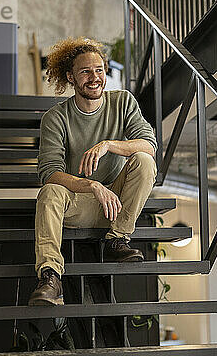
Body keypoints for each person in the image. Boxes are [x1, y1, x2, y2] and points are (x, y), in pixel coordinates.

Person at [28, 37, 158, 306]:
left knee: (144, 161)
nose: (94, 77)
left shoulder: (122, 102)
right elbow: (49, 172)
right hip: (80, 205)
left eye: (99, 70)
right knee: (50, 192)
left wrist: (109, 145)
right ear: (70, 77)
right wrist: (92, 186)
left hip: (118, 205)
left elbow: (149, 144)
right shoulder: (56, 118)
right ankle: (50, 277)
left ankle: (118, 239)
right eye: (85, 71)